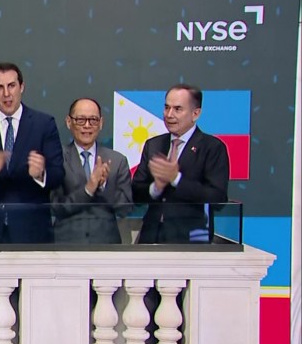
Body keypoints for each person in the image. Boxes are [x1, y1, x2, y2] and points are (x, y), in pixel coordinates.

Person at [0, 62, 64, 247]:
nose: (6, 94)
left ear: (22, 87)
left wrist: (40, 174)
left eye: (11, 85)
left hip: (31, 232)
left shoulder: (44, 124)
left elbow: (58, 173)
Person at [132, 84, 230, 244]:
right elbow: (136, 193)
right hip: (152, 236)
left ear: (195, 114)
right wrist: (156, 188)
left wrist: (176, 179)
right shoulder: (153, 145)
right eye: (166, 107)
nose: (169, 115)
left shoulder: (212, 147)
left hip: (192, 238)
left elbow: (217, 198)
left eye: (177, 109)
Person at [51, 98, 132, 243]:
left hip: (106, 244)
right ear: (69, 122)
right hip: (66, 244)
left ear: (101, 123)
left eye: (93, 120)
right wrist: (88, 190)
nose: (87, 125)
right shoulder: (56, 158)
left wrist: (103, 186)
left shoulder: (117, 161)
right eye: (80, 120)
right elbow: (55, 206)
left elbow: (124, 209)